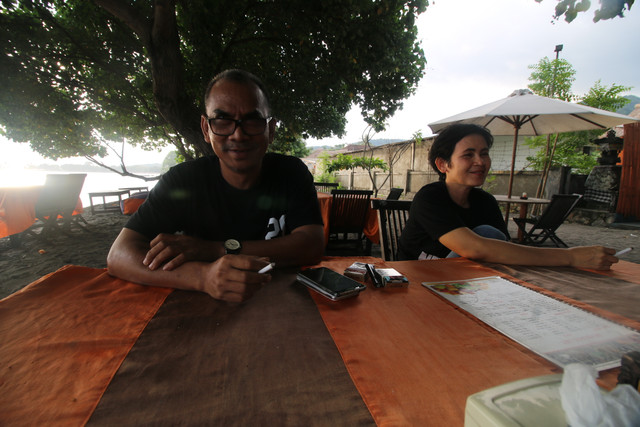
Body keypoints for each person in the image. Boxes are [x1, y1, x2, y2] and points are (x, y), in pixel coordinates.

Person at [107, 69, 325, 302]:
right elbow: (119, 255)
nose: (238, 135)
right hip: (199, 308)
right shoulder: (183, 182)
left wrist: (212, 250)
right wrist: (202, 277)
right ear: (205, 129)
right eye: (222, 121)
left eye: (252, 121)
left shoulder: (290, 173)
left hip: (282, 303)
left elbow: (311, 245)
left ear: (270, 130)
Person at [397, 123, 619, 270]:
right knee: (485, 234)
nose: (480, 162)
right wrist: (570, 257)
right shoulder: (431, 197)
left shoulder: (485, 203)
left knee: (491, 236)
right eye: (468, 155)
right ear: (443, 164)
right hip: (415, 282)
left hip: (464, 285)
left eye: (484, 153)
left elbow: (501, 252)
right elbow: (475, 248)